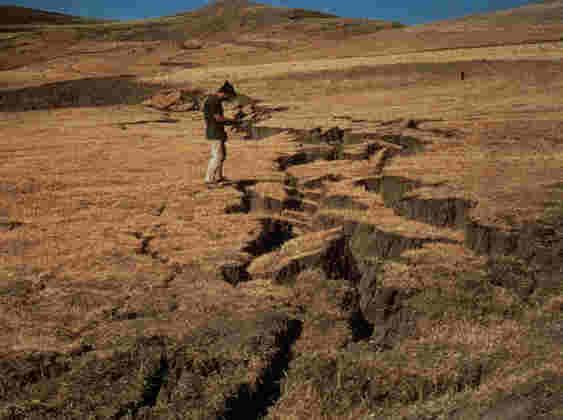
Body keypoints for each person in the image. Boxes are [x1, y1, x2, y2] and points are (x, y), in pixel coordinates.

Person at [203, 81, 238, 187]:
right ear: (223, 93)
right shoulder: (213, 101)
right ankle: (209, 180)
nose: (228, 99)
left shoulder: (214, 100)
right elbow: (218, 118)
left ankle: (218, 177)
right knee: (217, 156)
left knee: (221, 156)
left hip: (217, 131)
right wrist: (232, 121)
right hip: (215, 132)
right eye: (228, 96)